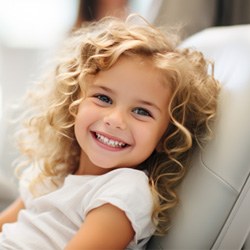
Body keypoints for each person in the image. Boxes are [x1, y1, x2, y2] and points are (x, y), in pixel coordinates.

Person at [0, 15, 220, 249]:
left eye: (141, 112)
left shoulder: (124, 191)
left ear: (166, 136)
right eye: (103, 98)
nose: (115, 121)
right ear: (74, 104)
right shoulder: (55, 171)